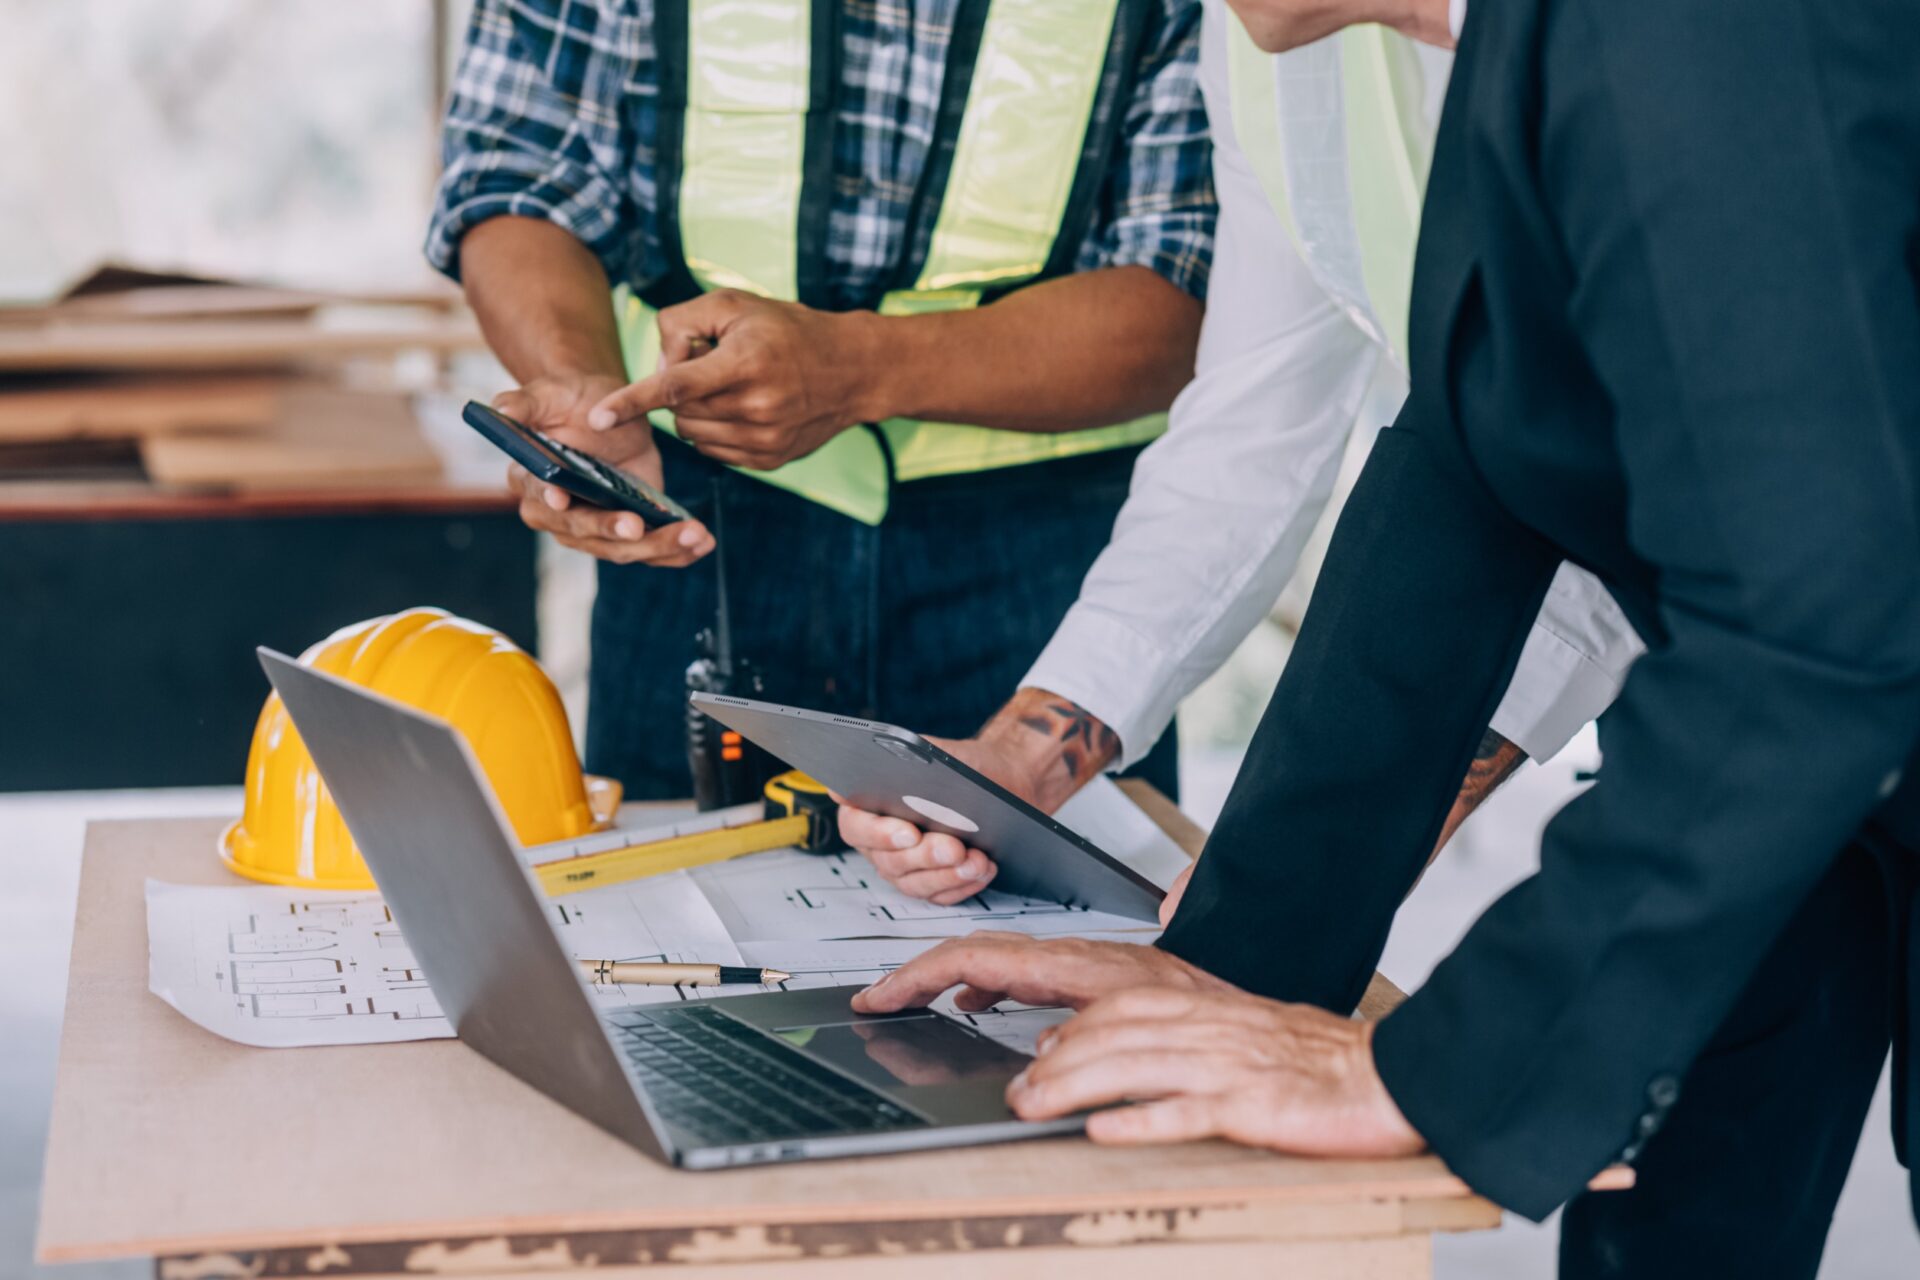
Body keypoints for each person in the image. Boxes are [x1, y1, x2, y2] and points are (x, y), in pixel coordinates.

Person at [856, 0, 1920, 1273]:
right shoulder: (1488, 45)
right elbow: (1469, 467)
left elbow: (1816, 603)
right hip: (1783, 726)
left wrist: (1446, 1074)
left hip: (1812, 684)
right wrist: (1238, 961)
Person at [836, 0, 1642, 905]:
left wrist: (1336, 832)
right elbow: (1255, 416)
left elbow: (1653, 436)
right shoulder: (1261, 34)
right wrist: (1023, 758)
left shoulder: (1632, 38)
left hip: (1772, 645)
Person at [426, 0, 1216, 802]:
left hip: (1049, 564)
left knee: (1051, 920)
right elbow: (517, 166)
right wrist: (579, 381)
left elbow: (1199, 279)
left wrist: (862, 368)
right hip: (687, 523)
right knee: (670, 913)